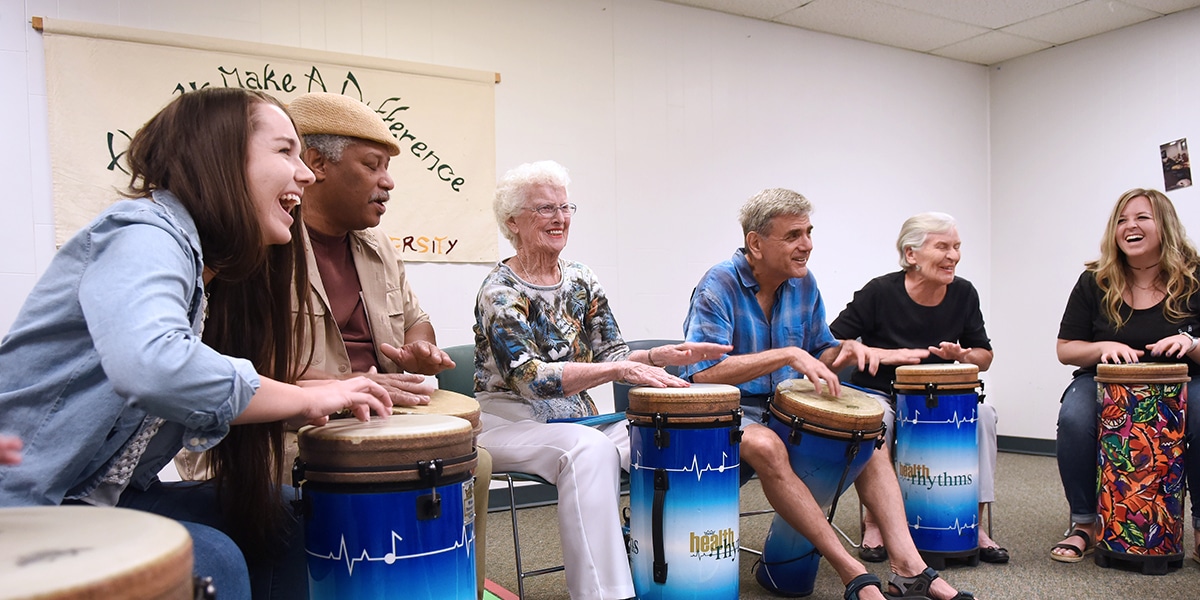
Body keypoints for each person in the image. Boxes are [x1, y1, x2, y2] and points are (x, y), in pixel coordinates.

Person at [0, 88, 392, 599]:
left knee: (291, 516)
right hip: (30, 506)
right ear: (221, 158)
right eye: (284, 151)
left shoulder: (205, 267)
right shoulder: (142, 232)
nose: (307, 173)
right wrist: (307, 397)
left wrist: (322, 390)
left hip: (109, 500)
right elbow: (153, 365)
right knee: (213, 559)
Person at [682, 188, 973, 600]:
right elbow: (705, 374)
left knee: (868, 430)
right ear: (756, 243)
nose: (807, 245)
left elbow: (820, 351)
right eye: (794, 236)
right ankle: (851, 569)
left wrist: (845, 351)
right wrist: (785, 354)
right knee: (767, 446)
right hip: (727, 409)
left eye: (809, 232)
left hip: (785, 406)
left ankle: (909, 566)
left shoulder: (803, 284)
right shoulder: (718, 283)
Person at [473, 160, 729, 600]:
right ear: (512, 222)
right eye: (544, 209)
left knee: (667, 436)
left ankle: (671, 572)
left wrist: (655, 357)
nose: (559, 217)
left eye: (565, 206)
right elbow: (530, 378)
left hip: (577, 419)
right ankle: (606, 594)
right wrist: (615, 369)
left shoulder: (580, 279)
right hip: (510, 422)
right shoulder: (500, 291)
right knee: (589, 452)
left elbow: (613, 355)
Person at [286, 91, 493, 597]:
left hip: (378, 415)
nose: (388, 181)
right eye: (372, 165)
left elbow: (416, 321)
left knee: (474, 463)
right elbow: (244, 372)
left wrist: (419, 348)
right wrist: (341, 386)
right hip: (291, 428)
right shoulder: (269, 244)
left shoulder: (376, 245)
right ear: (317, 165)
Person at [829, 212, 1006, 564]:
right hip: (881, 392)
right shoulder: (879, 292)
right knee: (880, 424)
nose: (953, 255)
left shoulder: (964, 293)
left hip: (939, 397)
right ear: (911, 255)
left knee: (984, 416)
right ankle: (875, 523)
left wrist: (963, 354)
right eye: (942, 247)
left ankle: (975, 524)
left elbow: (984, 356)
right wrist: (883, 354)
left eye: (956, 246)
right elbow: (832, 346)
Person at [1051, 187, 1200, 563]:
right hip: (1105, 381)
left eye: (1141, 218)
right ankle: (1085, 523)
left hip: (1185, 381)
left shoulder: (1195, 276)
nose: (1129, 226)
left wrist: (1191, 344)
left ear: (1164, 225)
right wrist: (1102, 349)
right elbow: (1066, 348)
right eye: (1121, 220)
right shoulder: (1094, 281)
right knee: (1075, 417)